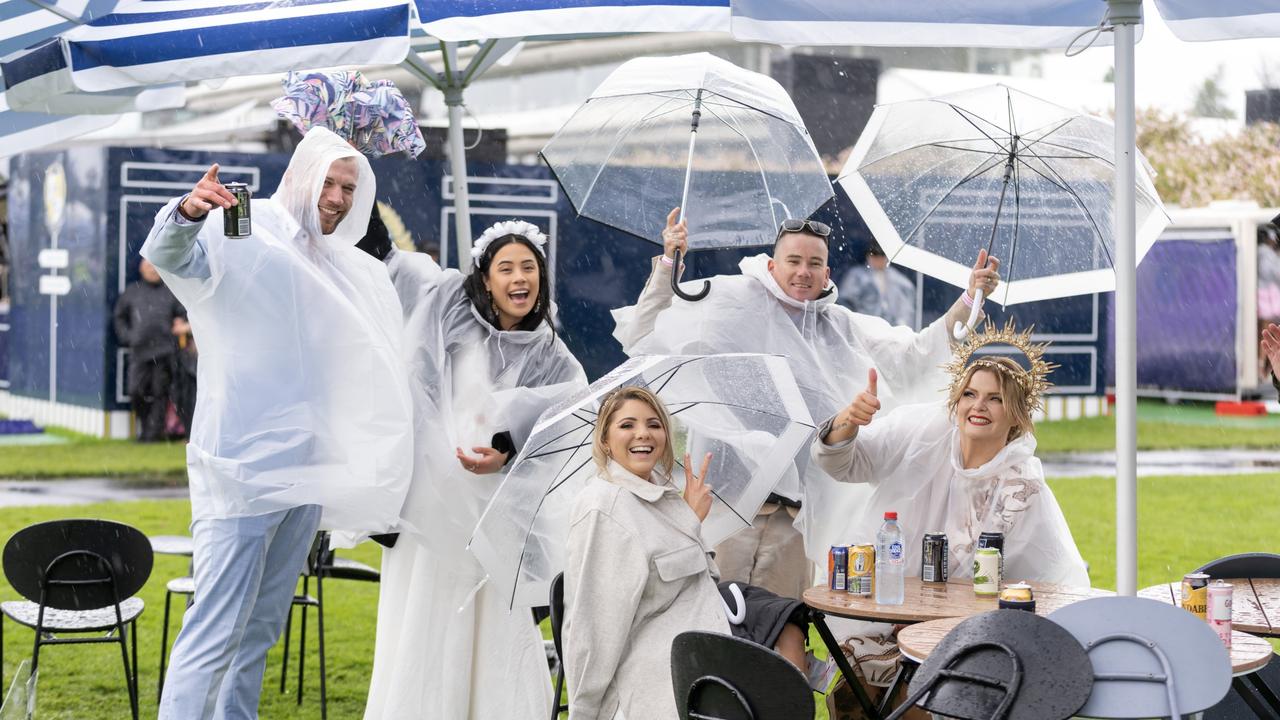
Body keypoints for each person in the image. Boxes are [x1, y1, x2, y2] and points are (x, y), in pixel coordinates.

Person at [143, 126, 413, 720]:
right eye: (330, 181)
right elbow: (167, 257)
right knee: (214, 629)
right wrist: (188, 211)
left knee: (260, 630)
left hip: (305, 473)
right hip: (239, 468)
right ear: (300, 175)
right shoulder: (244, 227)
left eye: (350, 187)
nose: (339, 197)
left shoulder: (342, 265)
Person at [612, 208, 1002, 600]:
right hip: (725, 510)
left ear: (827, 273)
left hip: (795, 523)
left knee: (781, 634)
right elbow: (645, 331)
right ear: (771, 264)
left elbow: (915, 357)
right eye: (794, 261)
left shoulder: (841, 327)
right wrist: (668, 262)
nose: (803, 272)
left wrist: (970, 298)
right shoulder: (731, 304)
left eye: (814, 263)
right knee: (714, 635)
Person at [363, 220, 587, 720]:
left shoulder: (550, 352)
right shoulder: (448, 314)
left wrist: (507, 449)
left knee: (491, 622)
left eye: (529, 267)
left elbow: (566, 415)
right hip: (430, 508)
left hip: (492, 517)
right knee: (425, 617)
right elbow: (416, 383)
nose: (519, 278)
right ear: (485, 278)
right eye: (506, 267)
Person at [810, 322, 1088, 696]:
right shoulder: (920, 430)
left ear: (1018, 416)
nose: (978, 406)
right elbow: (842, 464)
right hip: (886, 617)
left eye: (995, 398)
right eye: (970, 393)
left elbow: (1053, 578)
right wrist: (848, 422)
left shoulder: (1022, 487)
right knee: (858, 692)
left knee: (932, 697)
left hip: (967, 636)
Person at [563, 386, 821, 720]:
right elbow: (594, 627)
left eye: (654, 424)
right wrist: (585, 714)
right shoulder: (605, 507)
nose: (643, 433)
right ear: (604, 440)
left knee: (789, 619)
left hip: (710, 628)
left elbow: (705, 574)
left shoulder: (663, 491)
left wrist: (689, 520)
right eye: (627, 425)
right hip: (672, 657)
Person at [112, 258, 186, 441]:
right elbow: (119, 318)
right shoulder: (132, 292)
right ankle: (145, 428)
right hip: (140, 351)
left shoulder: (171, 291)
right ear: (141, 268)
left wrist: (180, 325)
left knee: (160, 393)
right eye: (148, 266)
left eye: (155, 267)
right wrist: (129, 338)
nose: (152, 271)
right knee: (136, 391)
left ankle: (152, 435)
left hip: (164, 352)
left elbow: (184, 313)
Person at [838, 240, 916, 327]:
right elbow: (845, 302)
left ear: (887, 257)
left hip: (890, 328)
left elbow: (906, 308)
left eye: (882, 255)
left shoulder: (898, 279)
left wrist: (901, 326)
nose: (878, 259)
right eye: (874, 255)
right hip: (864, 326)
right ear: (868, 256)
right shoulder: (857, 276)